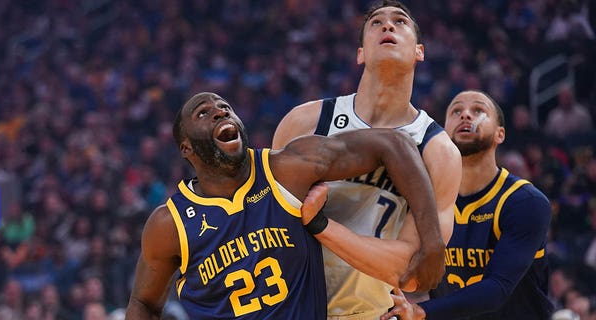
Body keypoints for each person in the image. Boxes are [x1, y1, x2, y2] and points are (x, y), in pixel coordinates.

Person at [125, 92, 442, 319]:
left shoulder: (285, 169)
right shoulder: (170, 223)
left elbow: (394, 144)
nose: (220, 112)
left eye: (225, 107)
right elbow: (143, 303)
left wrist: (432, 241)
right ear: (186, 147)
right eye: (203, 113)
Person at [272, 0, 461, 317]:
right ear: (360, 53)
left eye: (400, 22)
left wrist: (322, 226)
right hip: (292, 306)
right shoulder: (305, 121)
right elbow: (268, 224)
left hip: (368, 312)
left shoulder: (438, 151)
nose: (388, 26)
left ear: (419, 51)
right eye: (376, 22)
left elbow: (414, 271)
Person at [381, 90, 554, 320]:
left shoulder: (524, 201)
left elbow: (497, 289)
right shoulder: (425, 199)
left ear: (500, 134)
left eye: (478, 110)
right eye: (456, 111)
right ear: (442, 132)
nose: (465, 115)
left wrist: (420, 311)